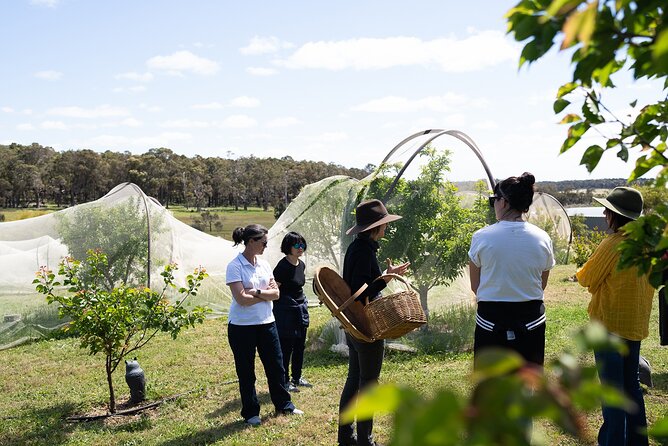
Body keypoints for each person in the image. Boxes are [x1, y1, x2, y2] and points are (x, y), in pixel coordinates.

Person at [576, 187, 654, 446]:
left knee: (612, 391)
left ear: (615, 216)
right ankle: (636, 441)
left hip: (609, 327)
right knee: (631, 386)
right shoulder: (648, 245)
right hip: (635, 324)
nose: (603, 213)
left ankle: (612, 442)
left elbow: (587, 279)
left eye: (607, 210)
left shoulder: (613, 243)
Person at [338, 199, 410, 446]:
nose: (386, 228)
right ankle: (364, 441)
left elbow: (364, 282)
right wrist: (387, 278)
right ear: (375, 227)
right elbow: (361, 290)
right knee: (368, 384)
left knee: (355, 378)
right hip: (365, 324)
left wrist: (388, 275)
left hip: (354, 323)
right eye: (384, 224)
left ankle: (346, 437)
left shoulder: (358, 247)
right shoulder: (363, 250)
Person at [468, 172, 555, 368]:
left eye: (494, 200)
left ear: (504, 202)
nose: (494, 205)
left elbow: (475, 285)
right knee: (529, 383)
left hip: (490, 321)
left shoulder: (481, 237)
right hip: (531, 321)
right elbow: (542, 284)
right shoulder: (543, 238)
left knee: (489, 384)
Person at [225, 224, 303, 426]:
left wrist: (256, 292)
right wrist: (262, 294)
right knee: (246, 371)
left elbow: (276, 294)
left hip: (267, 323)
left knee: (276, 367)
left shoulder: (265, 265)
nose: (266, 247)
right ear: (251, 241)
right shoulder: (235, 266)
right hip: (242, 327)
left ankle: (284, 405)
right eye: (263, 243)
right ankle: (251, 413)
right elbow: (241, 299)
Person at [273, 231, 312, 392]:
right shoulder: (282, 267)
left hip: (300, 308)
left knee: (299, 345)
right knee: (286, 346)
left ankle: (297, 377)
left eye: (302, 244)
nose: (300, 248)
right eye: (296, 245)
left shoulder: (301, 265)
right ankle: (285, 380)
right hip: (285, 311)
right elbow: (275, 290)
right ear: (288, 247)